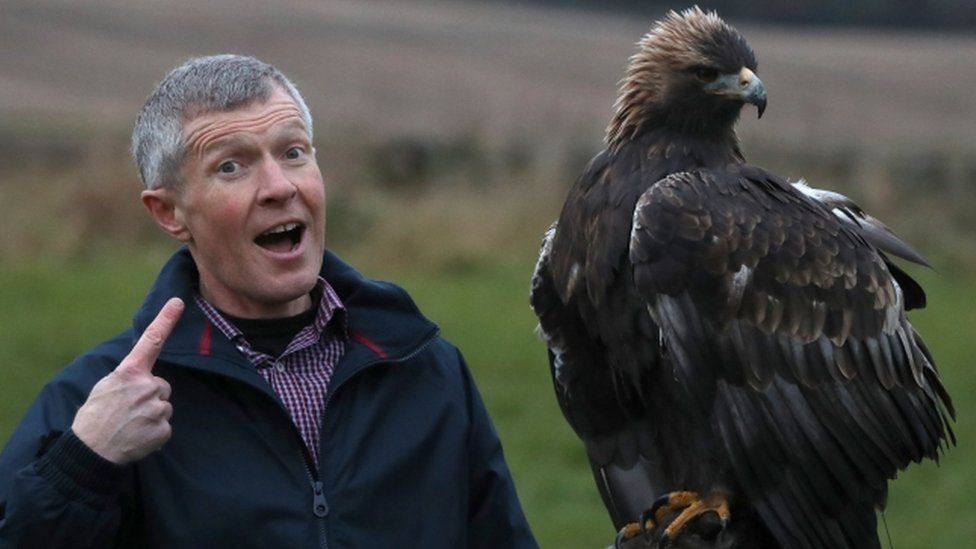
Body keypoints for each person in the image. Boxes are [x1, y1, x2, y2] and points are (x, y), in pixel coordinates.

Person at [0, 54, 537, 548]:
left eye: (293, 152)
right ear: (169, 213)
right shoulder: (99, 402)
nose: (279, 186)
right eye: (231, 166)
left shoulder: (424, 368)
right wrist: (82, 466)